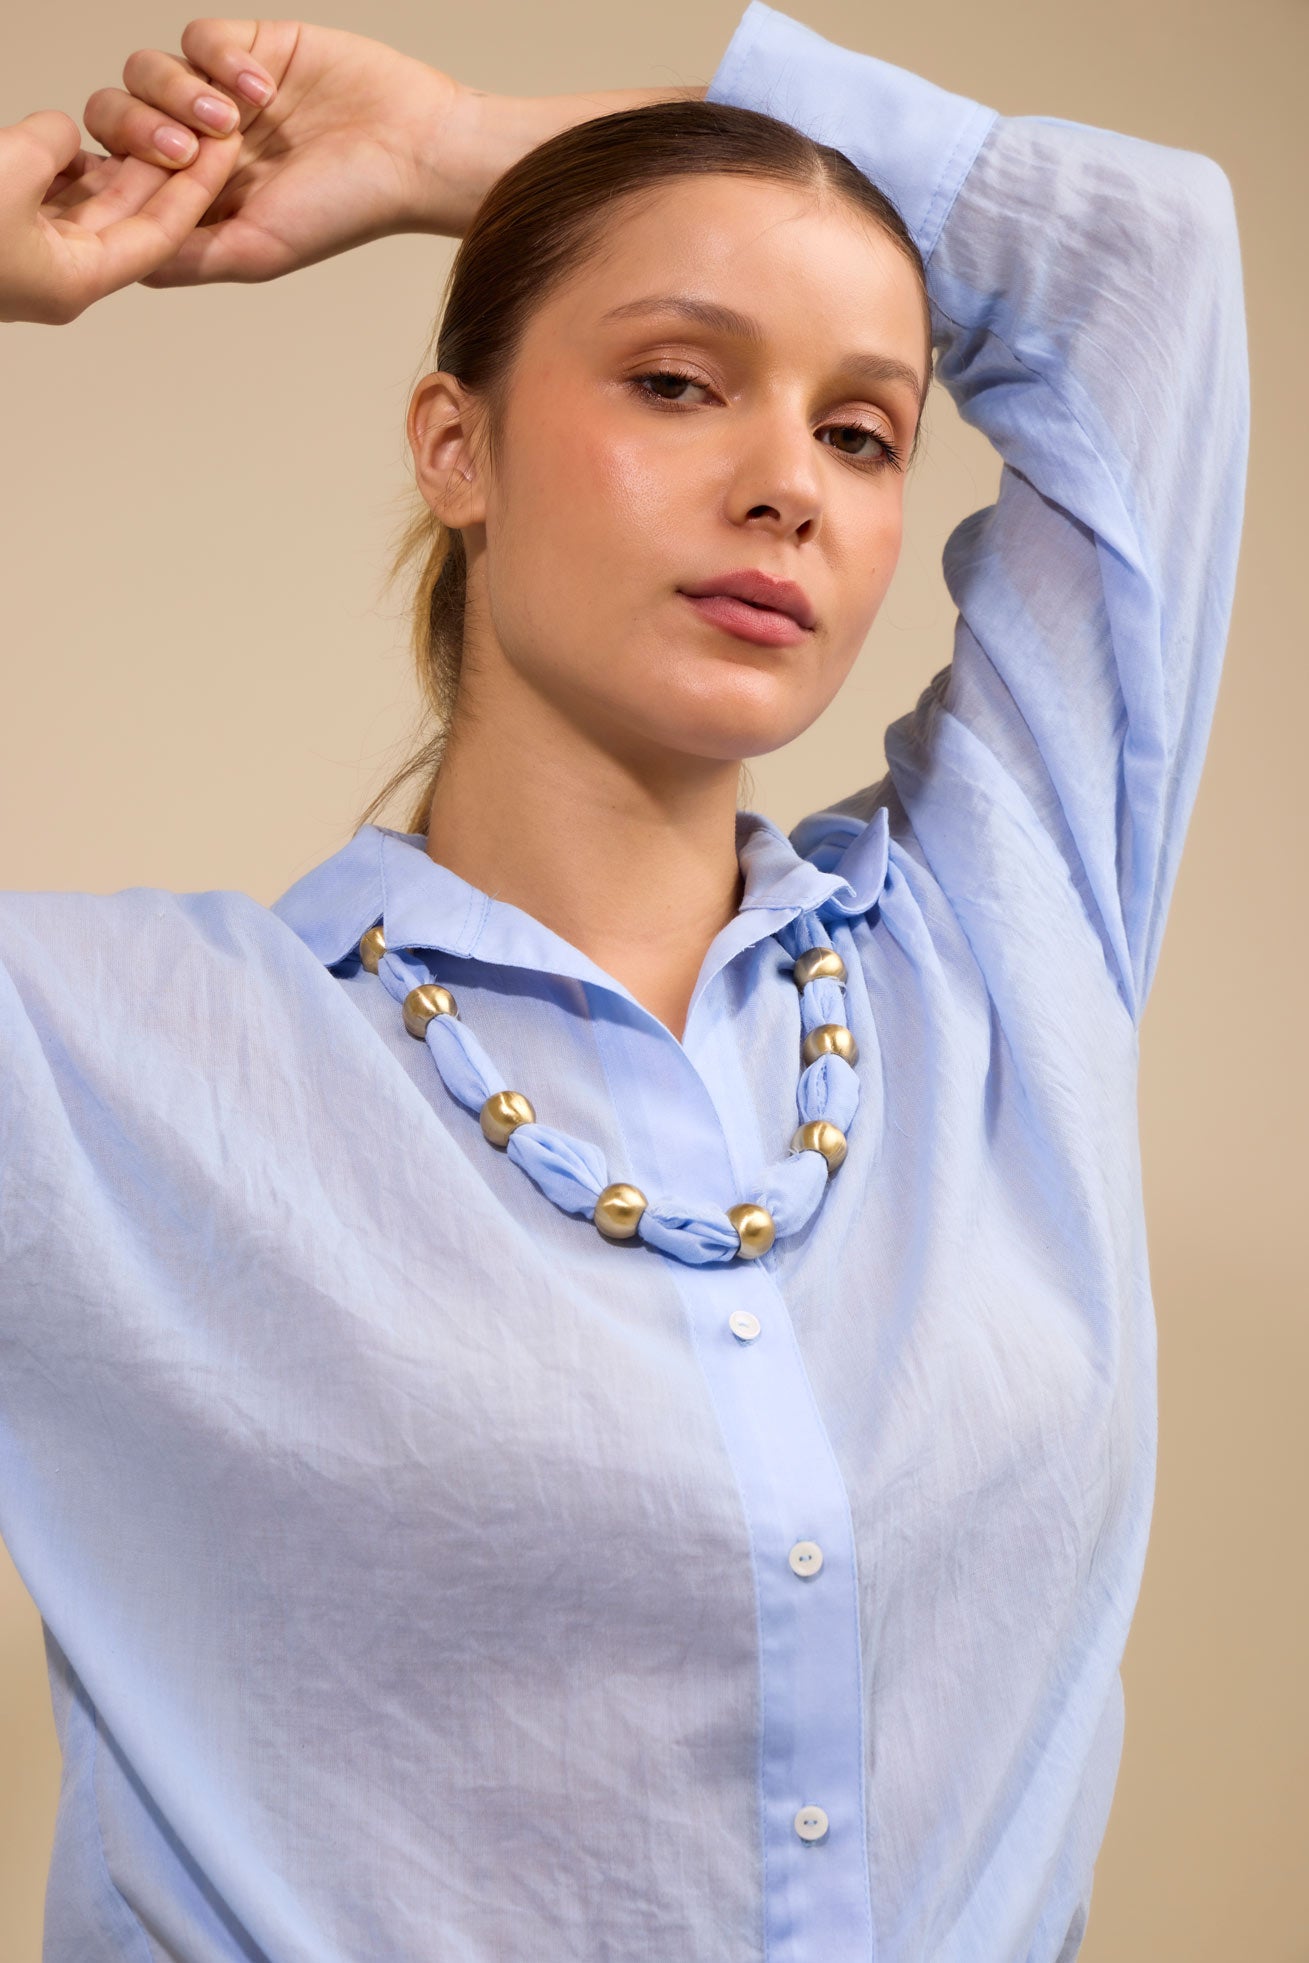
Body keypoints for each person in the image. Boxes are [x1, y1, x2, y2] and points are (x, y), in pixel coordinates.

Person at [0, 4, 1249, 1959]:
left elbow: (1140, 262)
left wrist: (447, 149)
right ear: (456, 446)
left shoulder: (996, 953)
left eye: (860, 432)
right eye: (676, 381)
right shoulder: (92, 1063)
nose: (787, 485)